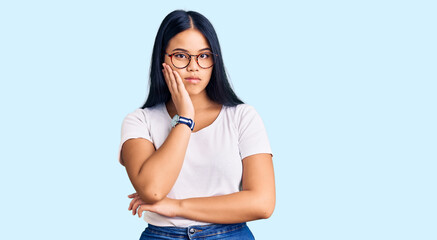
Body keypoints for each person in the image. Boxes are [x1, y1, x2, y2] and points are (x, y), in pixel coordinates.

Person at [118, 9, 275, 239]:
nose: (194, 66)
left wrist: (176, 206)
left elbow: (262, 203)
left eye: (204, 55)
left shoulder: (243, 116)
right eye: (181, 56)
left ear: (214, 60)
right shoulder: (140, 121)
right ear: (162, 58)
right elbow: (152, 190)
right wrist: (185, 119)